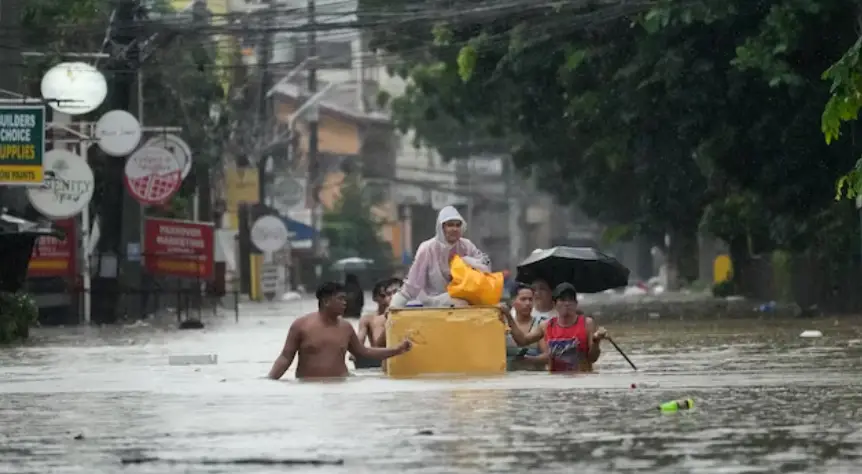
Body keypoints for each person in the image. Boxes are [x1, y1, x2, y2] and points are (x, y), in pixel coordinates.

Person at [267, 281, 412, 380]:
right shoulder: (301, 325)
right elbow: (285, 358)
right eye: (341, 299)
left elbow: (364, 352)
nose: (345, 303)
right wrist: (269, 381)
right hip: (309, 389)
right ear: (326, 301)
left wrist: (397, 350)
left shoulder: (345, 327)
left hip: (341, 386)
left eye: (345, 299)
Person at [390, 205, 490, 309]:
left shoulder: (467, 246)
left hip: (466, 299)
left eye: (458, 225)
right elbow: (412, 285)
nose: (455, 229)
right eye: (450, 225)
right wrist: (394, 307)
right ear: (441, 227)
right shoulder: (427, 248)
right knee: (460, 304)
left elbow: (485, 268)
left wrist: (467, 261)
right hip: (434, 303)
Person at [501, 283, 607, 373]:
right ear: (555, 304)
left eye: (570, 300)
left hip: (581, 380)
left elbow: (593, 358)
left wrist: (596, 341)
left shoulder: (587, 323)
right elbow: (522, 341)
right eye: (562, 300)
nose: (567, 303)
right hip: (556, 381)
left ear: (576, 304)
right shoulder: (547, 325)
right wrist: (508, 316)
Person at [353, 278, 401, 368]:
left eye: (395, 293)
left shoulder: (403, 315)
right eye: (384, 295)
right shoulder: (368, 319)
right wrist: (355, 353)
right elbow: (361, 343)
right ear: (375, 298)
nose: (390, 297)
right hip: (379, 359)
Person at [505, 284, 548, 371]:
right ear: (512, 301)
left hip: (534, 377)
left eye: (530, 299)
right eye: (523, 299)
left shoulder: (541, 324)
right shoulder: (504, 325)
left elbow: (548, 355)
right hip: (509, 378)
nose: (528, 303)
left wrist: (531, 360)